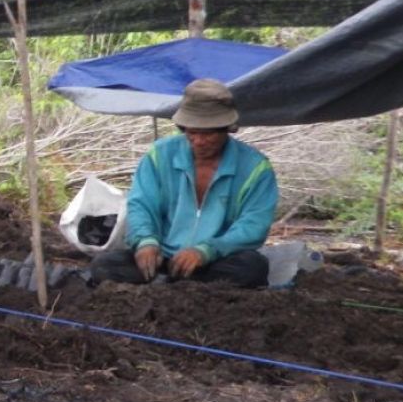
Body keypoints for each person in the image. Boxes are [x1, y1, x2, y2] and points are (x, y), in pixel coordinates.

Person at [89, 79, 278, 288]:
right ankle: (182, 286)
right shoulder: (159, 155)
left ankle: (170, 287)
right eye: (192, 132)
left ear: (227, 128)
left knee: (252, 268)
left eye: (208, 133)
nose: (198, 141)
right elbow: (142, 204)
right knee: (104, 265)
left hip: (215, 260)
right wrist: (146, 242)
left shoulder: (255, 168)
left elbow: (253, 226)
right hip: (160, 257)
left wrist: (205, 250)